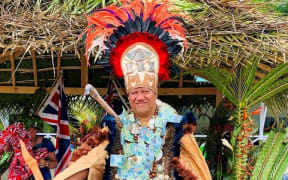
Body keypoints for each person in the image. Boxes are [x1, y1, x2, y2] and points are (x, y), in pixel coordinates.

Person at [53, 0, 211, 179]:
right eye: (134, 92)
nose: (140, 97)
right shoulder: (115, 129)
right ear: (128, 95)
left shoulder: (175, 126)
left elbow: (196, 172)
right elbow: (88, 164)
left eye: (145, 91)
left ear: (155, 92)